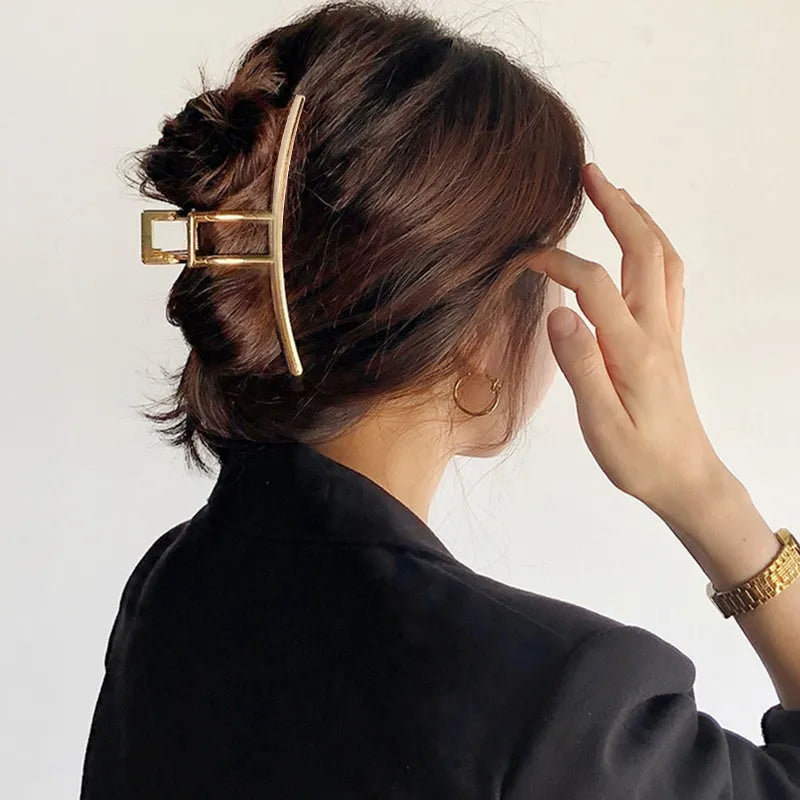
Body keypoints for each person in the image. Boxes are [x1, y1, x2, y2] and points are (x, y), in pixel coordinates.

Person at [80, 1, 800, 797]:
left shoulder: (174, 589)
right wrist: (704, 492)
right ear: (477, 334)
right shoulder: (557, 706)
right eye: (552, 272)